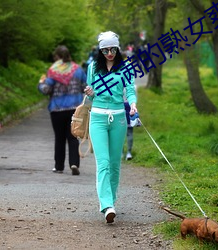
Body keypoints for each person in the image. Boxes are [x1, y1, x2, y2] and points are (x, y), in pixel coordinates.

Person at [84, 31, 138, 223]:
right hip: (97, 117)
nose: (109, 53)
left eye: (112, 49)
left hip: (119, 118)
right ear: (100, 50)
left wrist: (132, 104)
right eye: (105, 50)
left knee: (115, 164)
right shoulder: (93, 68)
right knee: (104, 163)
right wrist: (89, 92)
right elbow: (90, 96)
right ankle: (106, 205)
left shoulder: (125, 68)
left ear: (117, 48)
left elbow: (130, 90)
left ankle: (111, 201)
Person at [38, 45, 87, 175]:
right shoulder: (78, 70)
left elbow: (46, 90)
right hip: (74, 109)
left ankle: (59, 166)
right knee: (73, 137)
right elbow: (85, 87)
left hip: (57, 109)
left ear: (57, 57)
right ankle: (74, 163)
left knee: (59, 138)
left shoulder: (53, 71)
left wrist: (41, 83)